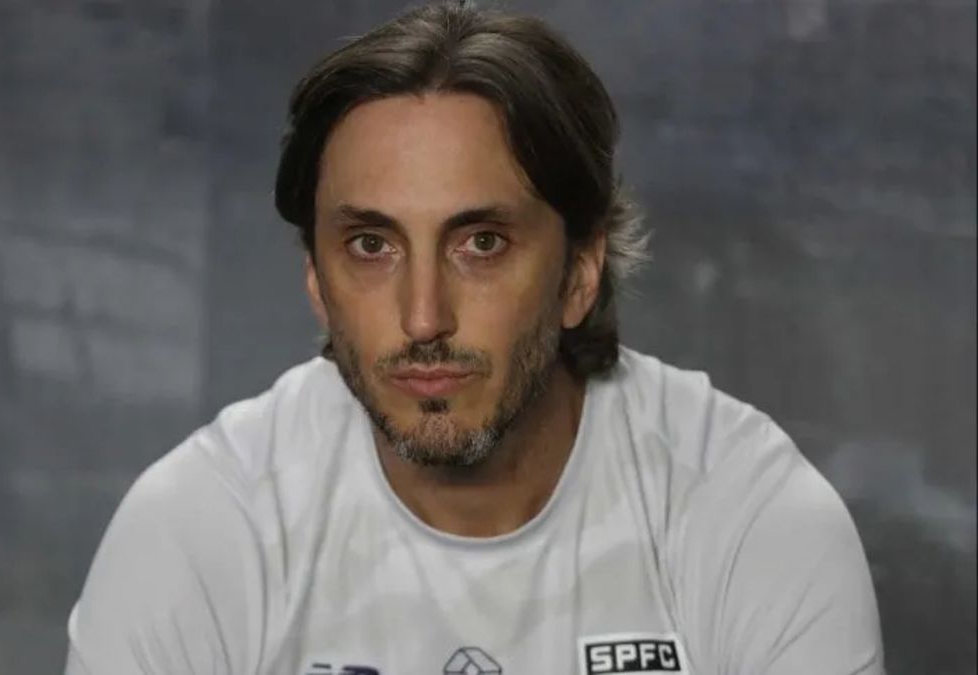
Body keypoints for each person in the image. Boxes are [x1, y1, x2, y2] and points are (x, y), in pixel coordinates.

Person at [64, 3, 884, 673]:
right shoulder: (202, 529)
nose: (424, 318)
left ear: (580, 271)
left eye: (481, 243)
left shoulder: (745, 518)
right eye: (371, 245)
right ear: (316, 277)